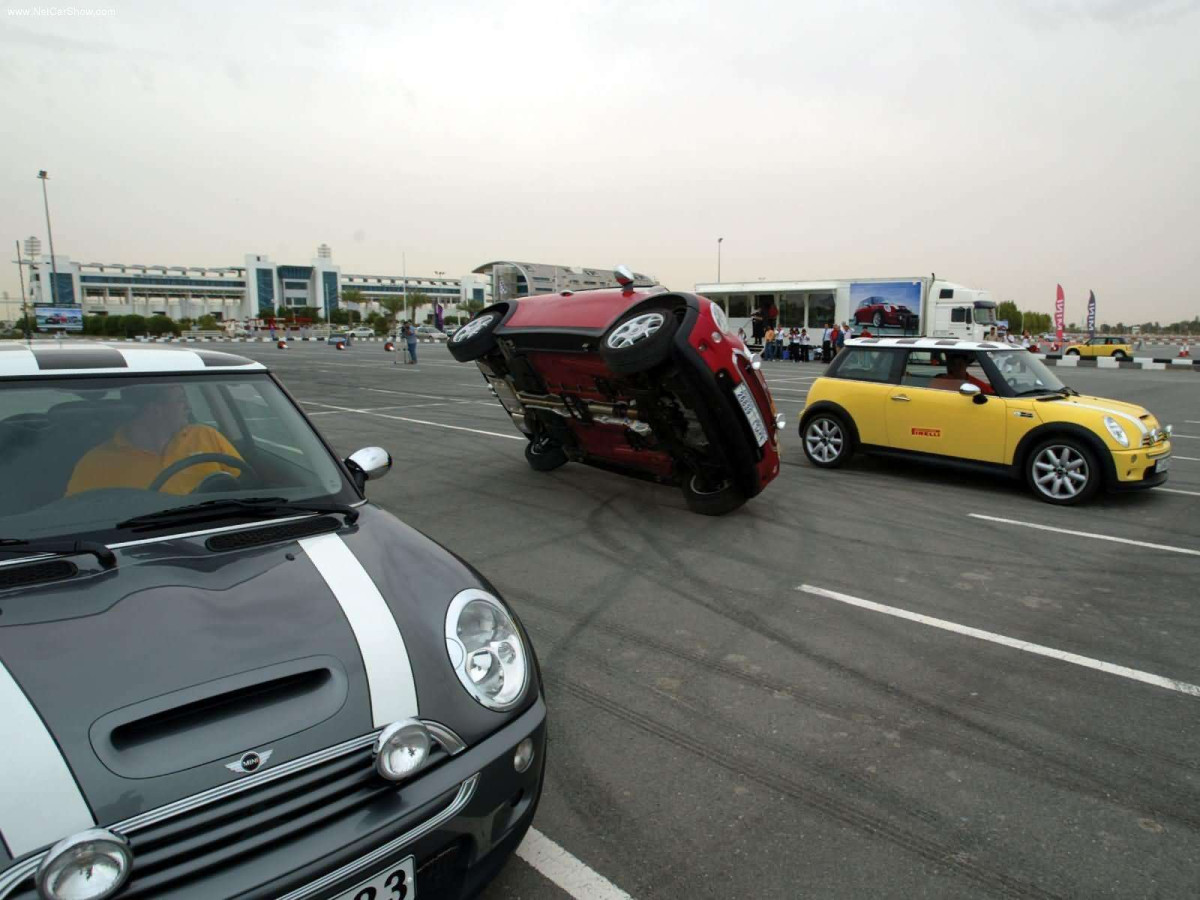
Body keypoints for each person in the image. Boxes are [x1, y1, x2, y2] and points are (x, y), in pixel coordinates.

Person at [67, 384, 243, 496]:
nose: (189, 407)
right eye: (181, 401)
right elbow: (76, 515)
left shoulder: (206, 435)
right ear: (155, 410)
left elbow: (246, 483)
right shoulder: (96, 462)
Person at [929, 353, 995, 394]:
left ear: (966, 364)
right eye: (953, 363)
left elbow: (992, 396)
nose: (957, 367)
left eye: (960, 364)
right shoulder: (940, 381)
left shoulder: (978, 385)